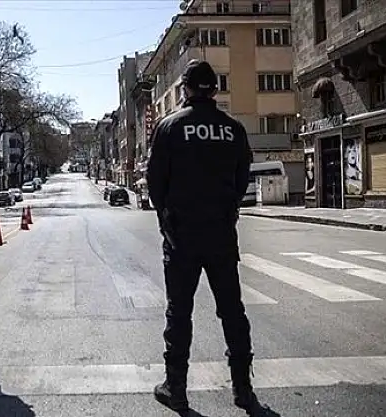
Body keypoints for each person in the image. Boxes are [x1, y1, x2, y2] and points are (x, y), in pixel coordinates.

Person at [146, 59, 259, 415]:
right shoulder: (233, 129)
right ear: (215, 90)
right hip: (220, 234)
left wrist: (166, 215)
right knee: (232, 311)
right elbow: (242, 178)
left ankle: (176, 388)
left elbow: (155, 182)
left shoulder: (168, 126)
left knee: (179, 313)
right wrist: (227, 208)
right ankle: (243, 389)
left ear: (185, 89)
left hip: (181, 236)